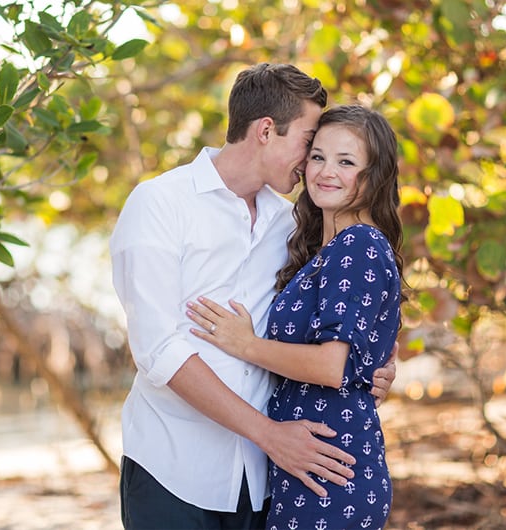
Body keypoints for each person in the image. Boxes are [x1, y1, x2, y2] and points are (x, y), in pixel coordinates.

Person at [110, 64, 397, 530]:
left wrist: (378, 364)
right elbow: (159, 350)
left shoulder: (290, 225)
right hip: (175, 468)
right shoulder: (160, 204)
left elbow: (345, 311)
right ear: (267, 130)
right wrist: (270, 436)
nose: (311, 163)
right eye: (309, 143)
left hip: (268, 478)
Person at [187, 104, 403, 530]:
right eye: (318, 156)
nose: (326, 171)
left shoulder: (357, 245)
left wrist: (245, 344)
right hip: (307, 463)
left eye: (347, 162)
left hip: (330, 470)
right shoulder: (321, 248)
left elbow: (329, 365)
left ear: (373, 175)